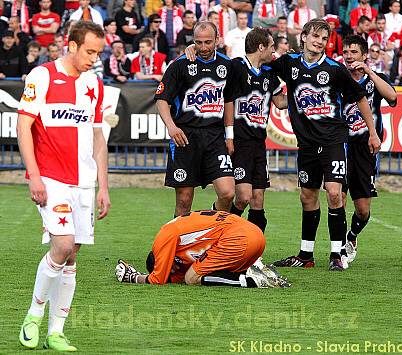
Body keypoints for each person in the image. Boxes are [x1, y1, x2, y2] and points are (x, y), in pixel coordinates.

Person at [17, 21, 110, 352]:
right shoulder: (41, 76)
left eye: (98, 53)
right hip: (52, 178)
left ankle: (56, 331)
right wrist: (34, 174)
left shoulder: (94, 84)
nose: (93, 59)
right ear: (71, 45)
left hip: (84, 183)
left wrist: (103, 185)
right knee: (62, 244)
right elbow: (23, 126)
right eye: (89, 51)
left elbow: (98, 136)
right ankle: (33, 315)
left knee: (72, 256)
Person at [269, 19, 381, 271]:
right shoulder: (289, 64)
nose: (319, 42)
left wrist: (372, 132)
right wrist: (278, 97)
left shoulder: (335, 69)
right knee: (307, 196)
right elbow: (263, 65)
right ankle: (305, 255)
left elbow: (361, 98)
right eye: (315, 36)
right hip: (306, 143)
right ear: (304, 37)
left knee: (333, 193)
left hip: (333, 139)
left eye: (324, 38)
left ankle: (336, 255)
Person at [155, 21, 235, 217]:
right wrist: (172, 127)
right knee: (184, 200)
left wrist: (230, 136)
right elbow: (161, 100)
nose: (203, 47)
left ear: (217, 40)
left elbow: (228, 101)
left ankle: (211, 233)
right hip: (185, 136)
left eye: (208, 42)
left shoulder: (227, 65)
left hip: (215, 137)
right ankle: (174, 244)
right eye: (198, 42)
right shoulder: (180, 65)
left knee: (227, 193)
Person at [115, 210, 288, 288]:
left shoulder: (163, 238)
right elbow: (174, 277)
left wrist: (133, 277)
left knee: (192, 278)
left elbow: (157, 280)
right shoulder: (176, 234)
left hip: (238, 239)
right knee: (206, 272)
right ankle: (258, 271)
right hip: (254, 235)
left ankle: (252, 281)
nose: (176, 270)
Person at [340, 35, 397, 267]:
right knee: (337, 198)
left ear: (364, 55)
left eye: (354, 52)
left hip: (366, 148)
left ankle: (352, 237)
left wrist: (369, 73)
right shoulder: (338, 78)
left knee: (362, 210)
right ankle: (338, 250)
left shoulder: (375, 79)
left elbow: (393, 97)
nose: (349, 56)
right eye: (346, 52)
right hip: (341, 146)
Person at [225, 28, 286, 233]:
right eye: (271, 47)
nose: (273, 52)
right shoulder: (236, 66)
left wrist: (302, 90)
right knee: (243, 197)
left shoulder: (269, 73)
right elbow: (228, 100)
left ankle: (253, 253)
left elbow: (280, 102)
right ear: (261, 47)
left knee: (258, 199)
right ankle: (222, 233)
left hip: (259, 143)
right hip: (240, 142)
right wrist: (229, 136)